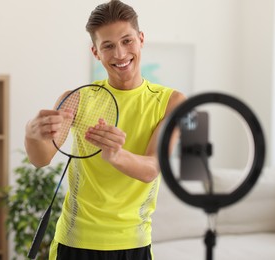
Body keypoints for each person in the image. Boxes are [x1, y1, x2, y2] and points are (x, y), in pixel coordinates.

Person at [24, 0, 186, 259]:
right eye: (108, 46)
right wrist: (32, 134)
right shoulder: (77, 98)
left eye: (127, 41)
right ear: (96, 52)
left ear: (141, 39)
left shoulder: (172, 102)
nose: (120, 54)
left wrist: (116, 155)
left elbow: (153, 168)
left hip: (133, 244)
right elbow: (41, 158)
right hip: (74, 242)